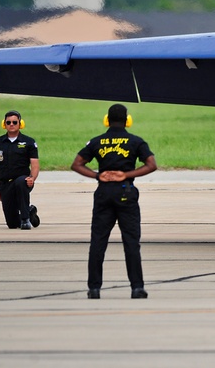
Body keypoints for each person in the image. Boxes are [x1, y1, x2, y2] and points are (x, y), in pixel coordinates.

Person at [71, 103, 157, 299]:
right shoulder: (135, 142)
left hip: (103, 193)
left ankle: (94, 289)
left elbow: (76, 164)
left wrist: (97, 176)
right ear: (127, 120)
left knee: (98, 242)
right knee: (131, 242)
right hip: (126, 192)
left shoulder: (96, 142)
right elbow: (151, 164)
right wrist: (125, 174)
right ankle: (137, 288)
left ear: (107, 120)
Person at [0, 110, 40, 230]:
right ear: (4, 124)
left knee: (20, 183)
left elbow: (35, 165)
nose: (11, 124)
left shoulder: (29, 142)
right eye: (8, 122)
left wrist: (32, 178)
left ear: (20, 123)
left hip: (23, 180)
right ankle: (30, 212)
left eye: (14, 122)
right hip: (5, 183)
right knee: (12, 224)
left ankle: (25, 219)